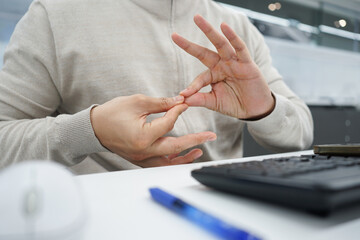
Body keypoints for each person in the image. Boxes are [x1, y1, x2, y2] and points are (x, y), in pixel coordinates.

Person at [0, 0, 313, 174]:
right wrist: (89, 131)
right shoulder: (56, 15)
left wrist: (264, 108)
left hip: (227, 210)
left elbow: (300, 134)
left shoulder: (237, 26)